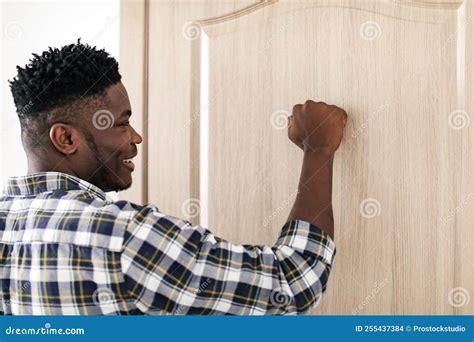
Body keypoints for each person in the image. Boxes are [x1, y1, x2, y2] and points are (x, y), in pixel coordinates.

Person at [0, 40, 347, 315]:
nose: (135, 137)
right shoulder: (123, 238)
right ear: (66, 139)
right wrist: (317, 150)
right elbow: (291, 285)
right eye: (121, 123)